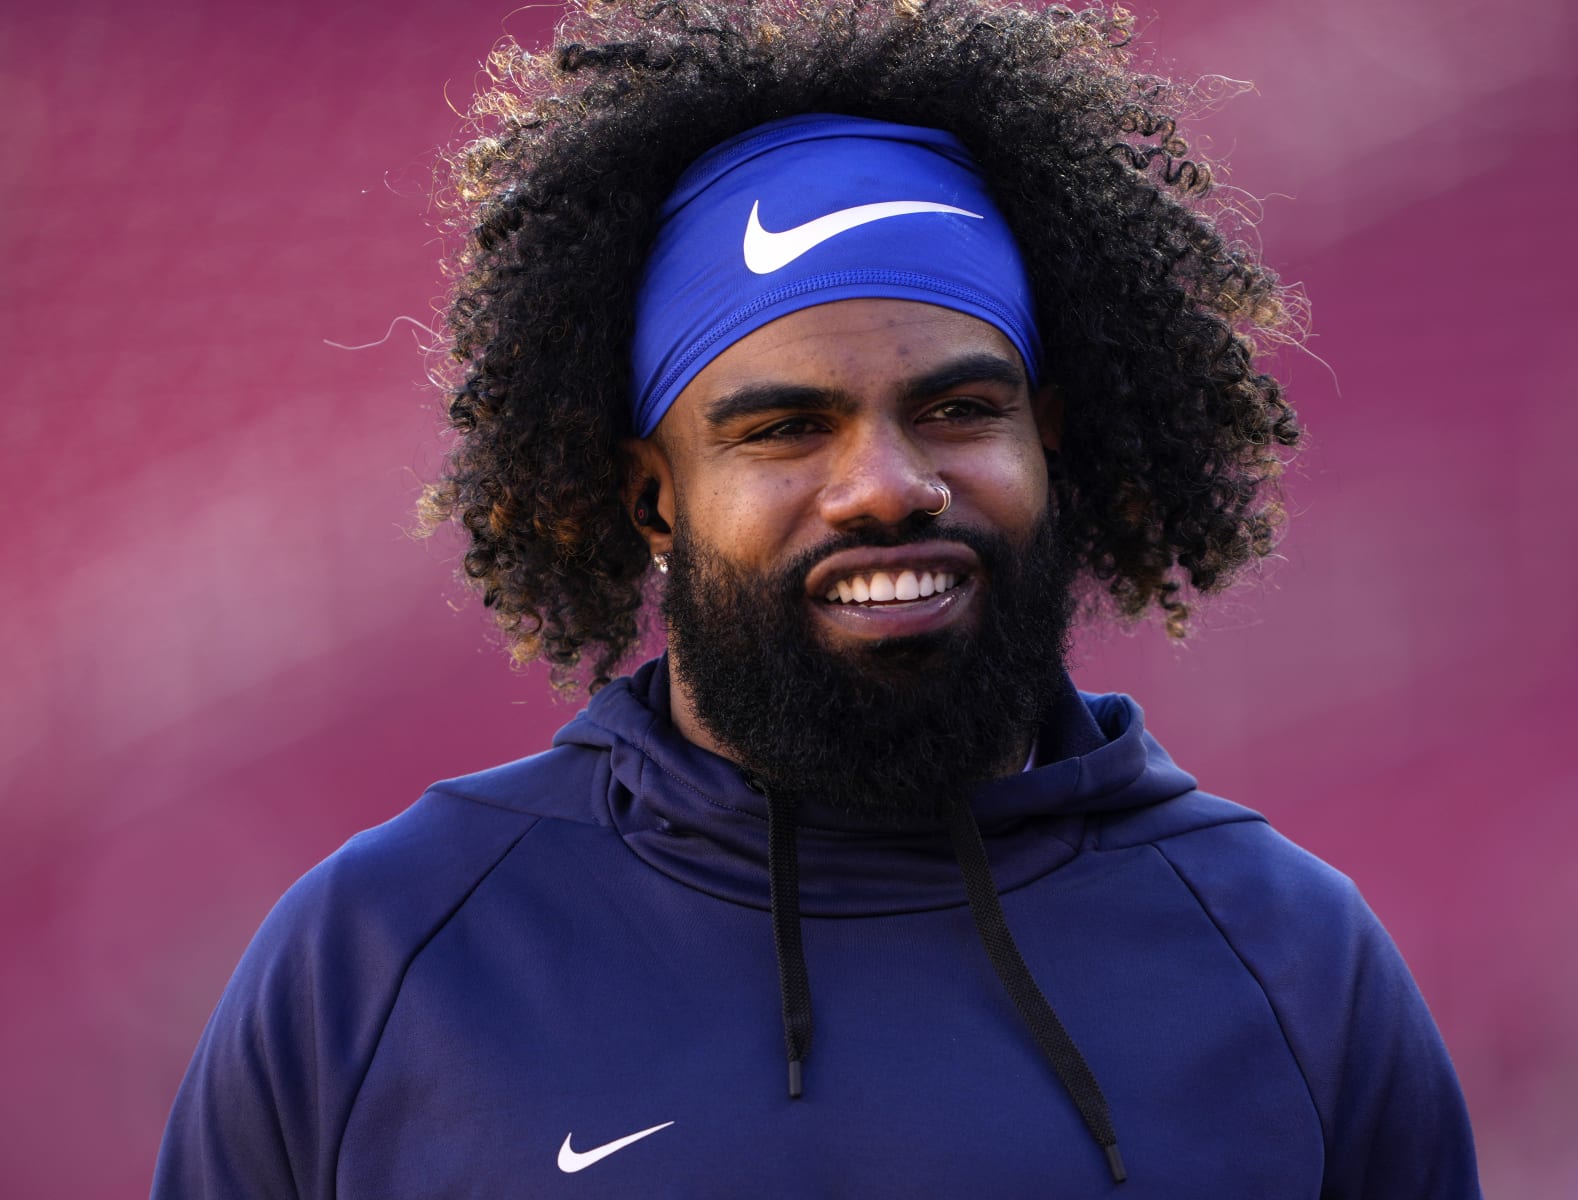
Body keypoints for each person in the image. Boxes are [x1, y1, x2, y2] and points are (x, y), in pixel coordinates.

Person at [153, 1, 1481, 1195]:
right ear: (654, 498)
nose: (889, 487)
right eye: (787, 428)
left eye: (960, 409)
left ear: (1051, 443)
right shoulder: (383, 961)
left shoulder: (1290, 959)